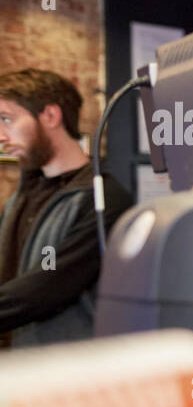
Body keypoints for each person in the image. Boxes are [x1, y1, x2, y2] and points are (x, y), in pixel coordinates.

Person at [0, 68, 132, 347]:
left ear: (50, 116)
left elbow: (47, 284)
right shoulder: (21, 198)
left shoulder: (102, 199)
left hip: (65, 373)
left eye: (6, 120)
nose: (1, 135)